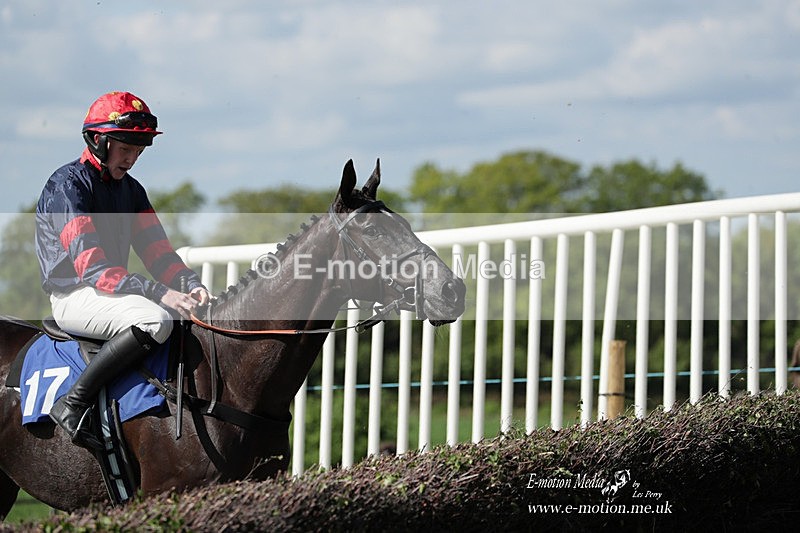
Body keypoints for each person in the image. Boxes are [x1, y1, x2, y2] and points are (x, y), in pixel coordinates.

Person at [35, 91, 211, 449]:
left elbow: (159, 254)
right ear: (98, 141)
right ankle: (73, 403)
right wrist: (161, 292)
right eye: (125, 149)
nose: (132, 159)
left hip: (111, 292)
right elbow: (93, 268)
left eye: (138, 151)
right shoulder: (67, 186)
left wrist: (190, 284)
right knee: (155, 320)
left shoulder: (132, 191)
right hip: (75, 295)